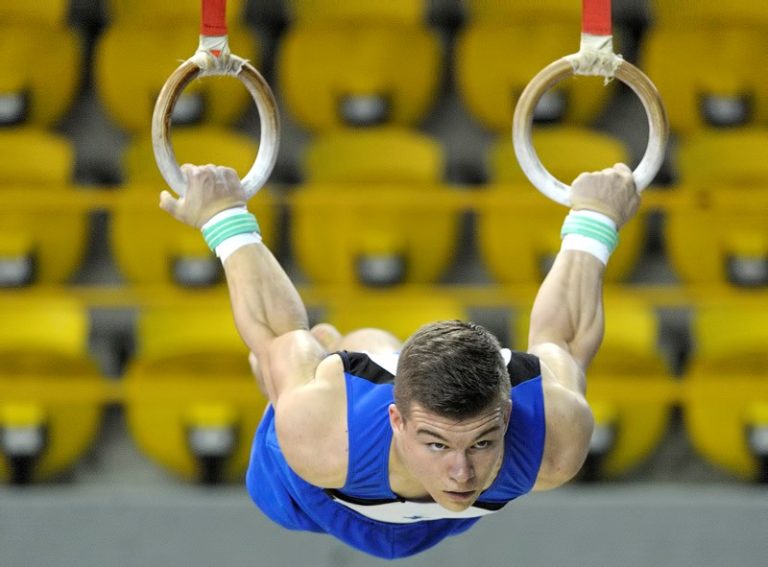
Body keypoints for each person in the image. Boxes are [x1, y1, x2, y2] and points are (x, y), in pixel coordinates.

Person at [159, 163, 640, 559]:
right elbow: (274, 331)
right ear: (396, 419)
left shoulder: (554, 439)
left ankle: (341, 351)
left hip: (432, 514)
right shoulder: (323, 433)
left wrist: (594, 220)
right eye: (437, 444)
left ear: (508, 414)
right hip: (312, 494)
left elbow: (567, 339)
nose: (462, 474)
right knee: (282, 364)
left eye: (481, 443)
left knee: (354, 349)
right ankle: (306, 368)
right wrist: (224, 215)